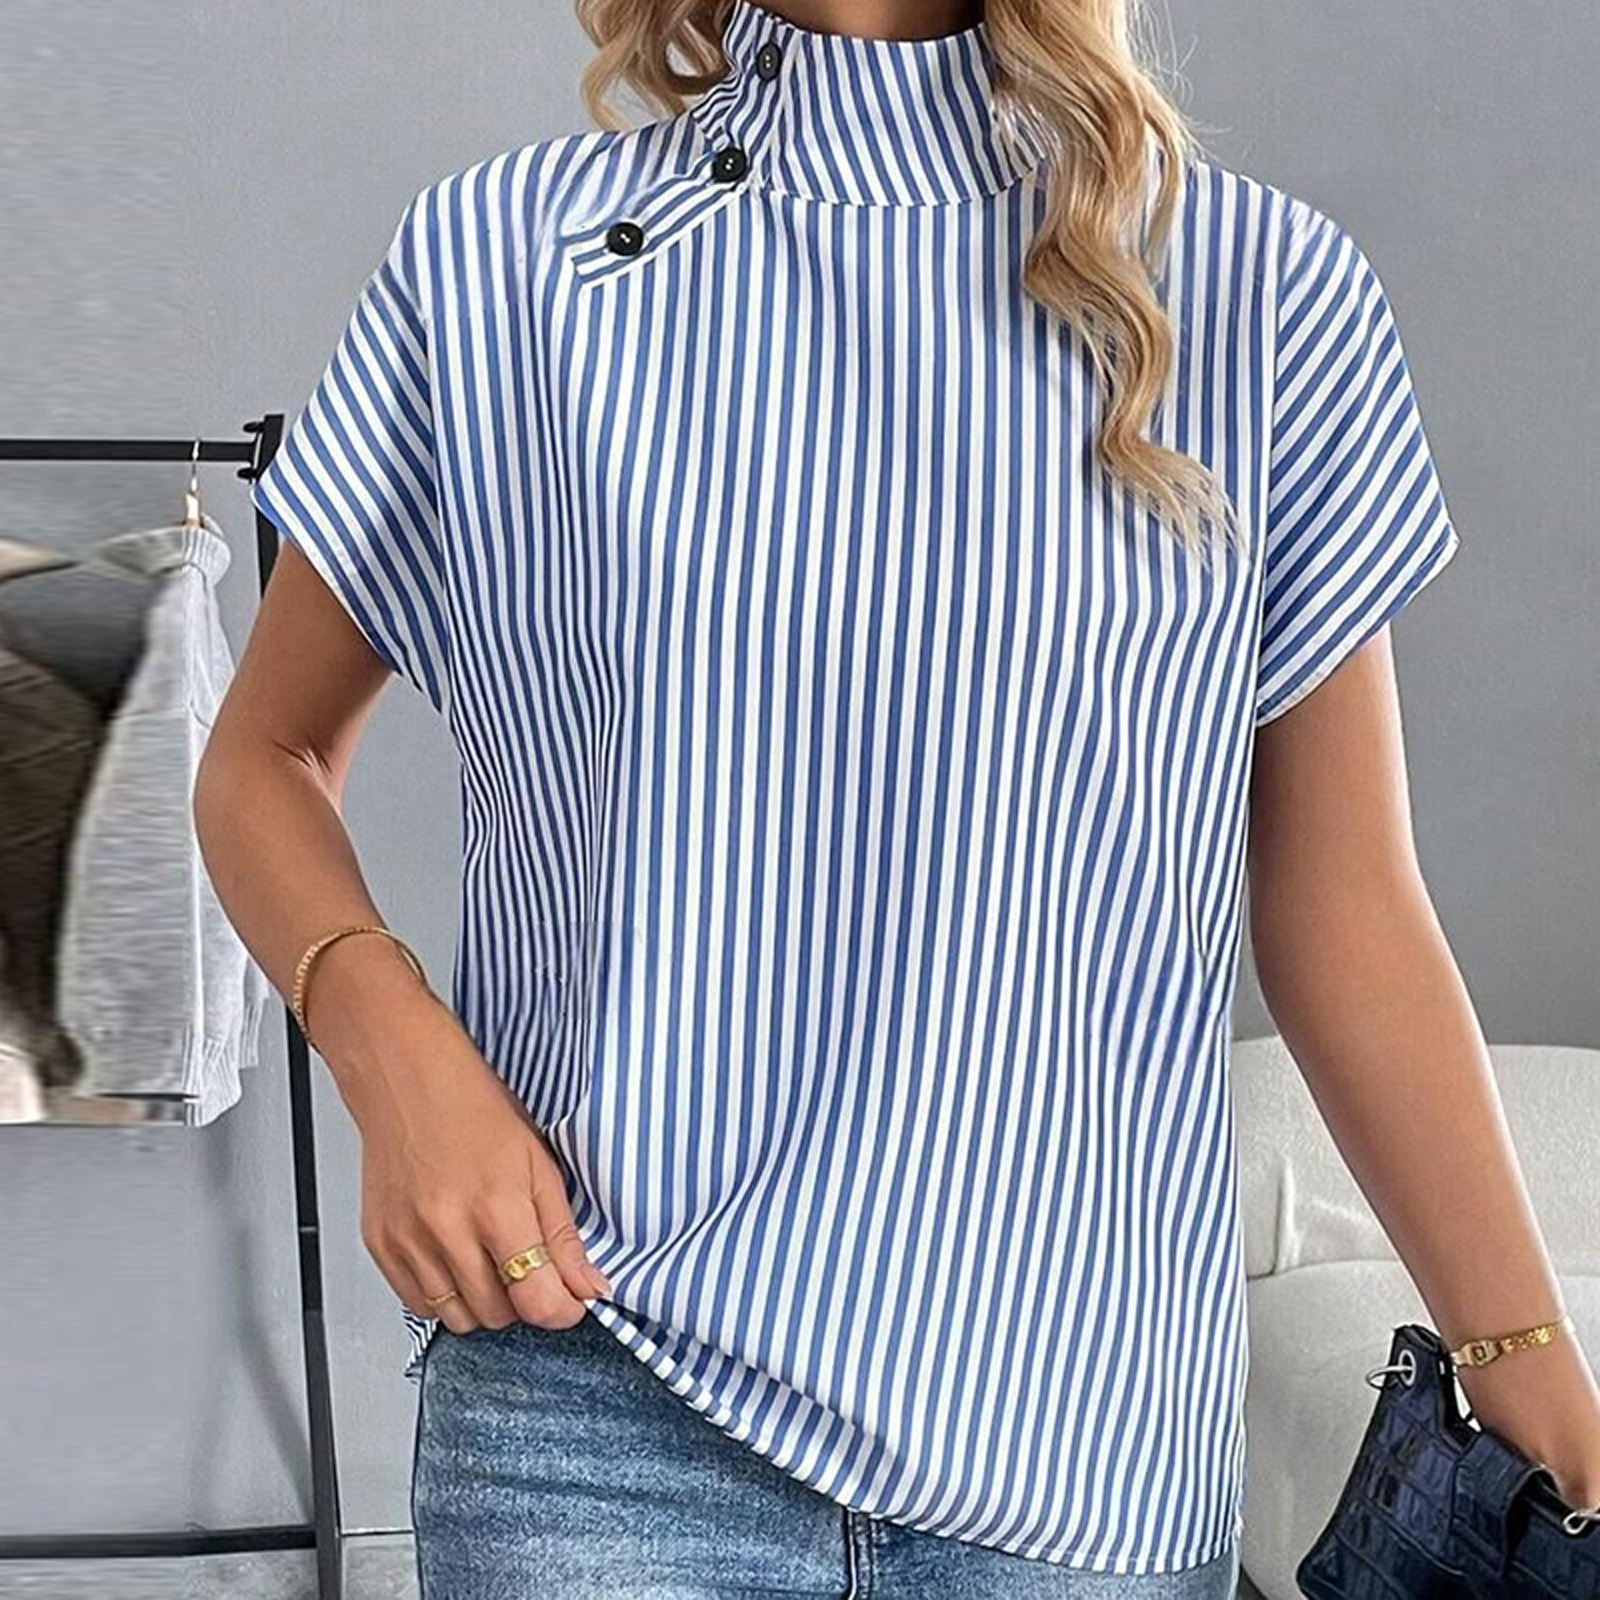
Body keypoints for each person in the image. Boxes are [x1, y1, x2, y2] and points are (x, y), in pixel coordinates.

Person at [196, 1, 1600, 1594]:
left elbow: (1344, 906)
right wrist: (392, 1055)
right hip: (594, 1409)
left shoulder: (1261, 291)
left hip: (1086, 1452)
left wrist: (1525, 1357)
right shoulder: (505, 263)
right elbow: (262, 759)